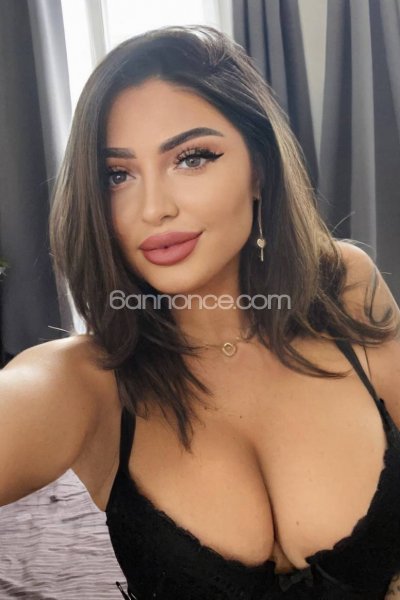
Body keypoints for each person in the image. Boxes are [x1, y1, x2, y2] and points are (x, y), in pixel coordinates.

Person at [1, 24, 400, 600]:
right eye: (117, 175)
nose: (154, 208)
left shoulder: (344, 287)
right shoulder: (82, 382)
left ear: (260, 168)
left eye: (191, 158)